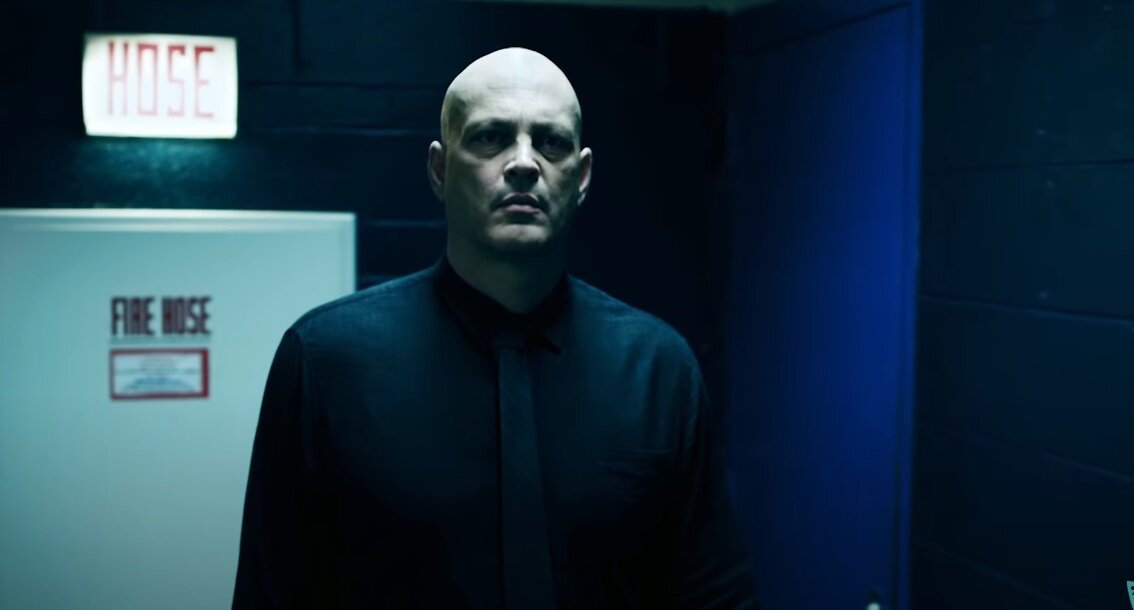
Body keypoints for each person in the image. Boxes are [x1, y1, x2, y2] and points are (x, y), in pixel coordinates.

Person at [232, 47, 757, 609]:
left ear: (581, 178)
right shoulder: (326, 363)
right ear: (440, 170)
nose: (524, 162)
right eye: (491, 137)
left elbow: (715, 598)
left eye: (550, 142)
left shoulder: (659, 371)